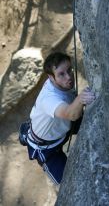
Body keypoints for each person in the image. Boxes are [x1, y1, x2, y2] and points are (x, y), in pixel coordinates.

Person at [26, 52, 95, 185]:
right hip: (46, 149)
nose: (69, 77)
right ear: (51, 78)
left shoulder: (64, 82)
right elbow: (71, 114)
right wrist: (80, 99)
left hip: (61, 128)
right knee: (67, 184)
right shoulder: (49, 98)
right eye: (61, 74)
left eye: (69, 69)